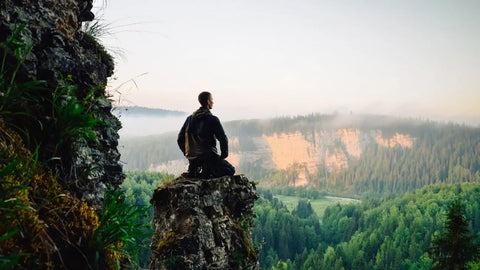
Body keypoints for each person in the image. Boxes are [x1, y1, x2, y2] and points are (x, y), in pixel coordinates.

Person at [177, 91, 235, 178]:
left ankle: (195, 170)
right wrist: (223, 155)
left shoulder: (189, 119)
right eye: (212, 100)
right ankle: (206, 173)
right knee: (230, 170)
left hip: (193, 160)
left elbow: (180, 139)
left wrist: (188, 154)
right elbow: (222, 138)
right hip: (208, 157)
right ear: (208, 102)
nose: (213, 102)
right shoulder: (212, 119)